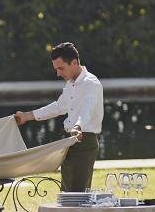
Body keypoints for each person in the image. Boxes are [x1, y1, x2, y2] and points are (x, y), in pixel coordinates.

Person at [14, 42, 104, 192]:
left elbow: (87, 110)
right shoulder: (71, 84)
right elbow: (59, 106)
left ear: (74, 63)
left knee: (77, 195)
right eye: (56, 69)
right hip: (70, 141)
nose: (58, 74)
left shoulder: (91, 84)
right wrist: (27, 116)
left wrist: (78, 126)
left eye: (61, 68)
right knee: (67, 193)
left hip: (84, 142)